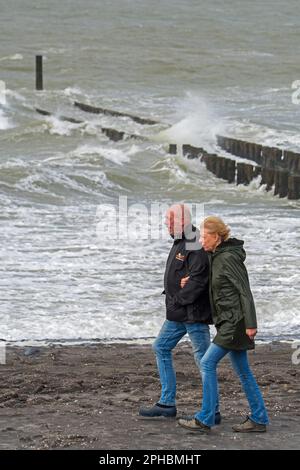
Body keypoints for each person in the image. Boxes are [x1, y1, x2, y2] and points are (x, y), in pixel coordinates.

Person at [178, 216, 269, 433]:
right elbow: (215, 282)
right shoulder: (216, 256)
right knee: (243, 371)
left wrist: (251, 324)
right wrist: (189, 280)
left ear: (216, 237)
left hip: (235, 322)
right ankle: (259, 418)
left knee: (207, 363)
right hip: (227, 321)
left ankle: (205, 418)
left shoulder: (228, 258)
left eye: (204, 236)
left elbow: (244, 291)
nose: (201, 240)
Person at [139, 205, 221, 423]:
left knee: (204, 360)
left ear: (181, 221)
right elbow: (185, 275)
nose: (166, 223)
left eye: (169, 220)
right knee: (161, 347)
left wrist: (178, 299)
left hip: (192, 313)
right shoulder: (181, 240)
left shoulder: (194, 240)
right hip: (178, 314)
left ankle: (213, 410)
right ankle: (167, 403)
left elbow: (198, 280)